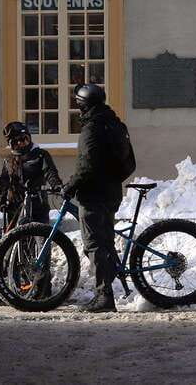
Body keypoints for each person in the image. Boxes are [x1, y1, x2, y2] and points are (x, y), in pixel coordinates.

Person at [62, 83, 135, 313]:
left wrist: (71, 185)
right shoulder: (115, 124)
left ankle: (104, 296)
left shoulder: (91, 129)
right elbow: (129, 162)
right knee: (105, 241)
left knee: (94, 244)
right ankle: (108, 288)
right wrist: (113, 180)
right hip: (112, 192)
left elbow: (87, 165)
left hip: (93, 194)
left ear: (82, 105)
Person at [0, 121, 63, 225]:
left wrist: (57, 185)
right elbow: (4, 182)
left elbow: (50, 172)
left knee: (39, 236)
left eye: (23, 139)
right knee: (13, 237)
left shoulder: (40, 155)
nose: (20, 143)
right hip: (14, 206)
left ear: (29, 138)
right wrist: (2, 200)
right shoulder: (9, 161)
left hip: (37, 204)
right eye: (15, 141)